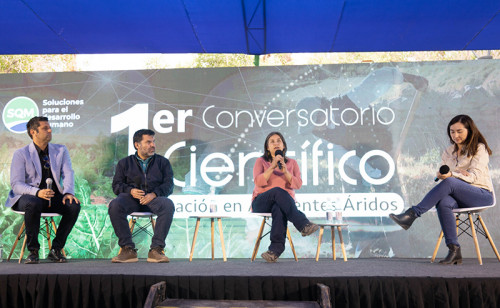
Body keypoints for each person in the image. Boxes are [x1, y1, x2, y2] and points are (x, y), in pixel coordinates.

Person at [389, 114, 494, 265]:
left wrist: (453, 175)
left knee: (451, 181)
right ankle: (454, 250)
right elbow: (449, 177)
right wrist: (444, 175)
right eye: (452, 132)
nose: (455, 135)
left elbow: (474, 177)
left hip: (481, 194)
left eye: (459, 131)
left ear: (469, 130)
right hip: (458, 195)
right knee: (444, 202)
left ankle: (412, 214)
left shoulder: (479, 148)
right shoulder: (448, 151)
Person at [5, 116, 81, 264]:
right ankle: (33, 251)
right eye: (45, 128)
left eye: (49, 127)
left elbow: (68, 173)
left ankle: (56, 250)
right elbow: (16, 184)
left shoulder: (60, 150)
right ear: (33, 132)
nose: (50, 130)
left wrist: (68, 193)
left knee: (73, 206)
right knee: (34, 203)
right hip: (27, 196)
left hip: (53, 196)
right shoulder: (21, 154)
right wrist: (37, 192)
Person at [108, 129, 175, 263]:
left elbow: (169, 185)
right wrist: (130, 191)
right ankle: (128, 249)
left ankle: (156, 249)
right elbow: (116, 186)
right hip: (131, 200)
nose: (153, 145)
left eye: (153, 142)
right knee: (115, 205)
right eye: (148, 142)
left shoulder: (163, 162)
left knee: (168, 204)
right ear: (137, 145)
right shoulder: (124, 163)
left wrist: (154, 194)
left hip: (153, 200)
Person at [251, 131, 319, 262]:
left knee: (279, 207)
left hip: (283, 204)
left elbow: (298, 184)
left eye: (279, 141)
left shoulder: (292, 163)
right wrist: (272, 167)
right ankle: (303, 224)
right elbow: (258, 182)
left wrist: (285, 172)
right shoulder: (261, 161)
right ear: (267, 147)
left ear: (283, 146)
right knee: (278, 191)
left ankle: (274, 251)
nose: (276, 143)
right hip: (261, 202)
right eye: (272, 141)